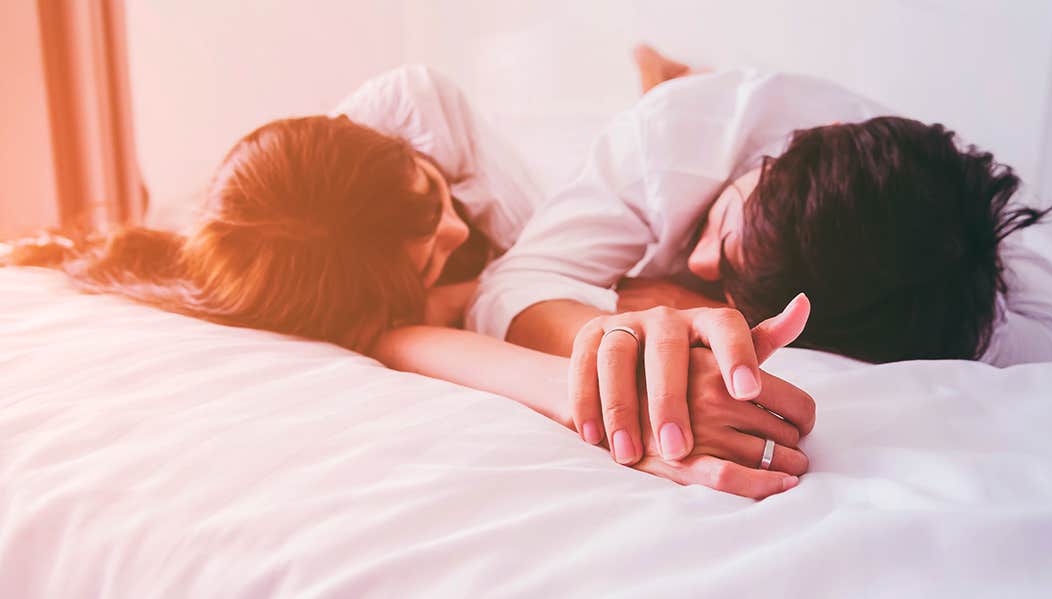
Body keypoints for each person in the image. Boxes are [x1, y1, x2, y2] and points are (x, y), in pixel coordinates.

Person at [2, 61, 814, 499]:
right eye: (428, 253)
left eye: (431, 192)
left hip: (578, 222)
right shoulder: (336, 286)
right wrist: (606, 394)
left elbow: (524, 270)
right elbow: (400, 339)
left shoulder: (415, 109)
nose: (458, 230)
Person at [467, 45, 1052, 467]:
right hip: (701, 126)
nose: (706, 264)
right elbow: (509, 284)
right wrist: (629, 340)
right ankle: (670, 76)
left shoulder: (990, 281)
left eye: (734, 284)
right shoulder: (673, 135)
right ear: (777, 157)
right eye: (727, 222)